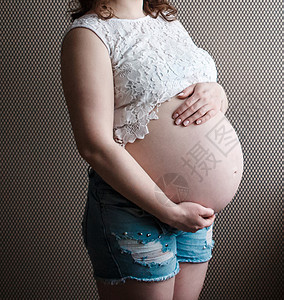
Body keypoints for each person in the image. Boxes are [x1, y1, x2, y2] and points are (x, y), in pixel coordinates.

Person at [60, 0, 229, 299]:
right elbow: (94, 146)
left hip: (194, 214)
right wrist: (170, 211)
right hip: (133, 209)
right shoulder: (89, 35)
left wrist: (218, 93)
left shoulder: (166, 22)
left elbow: (198, 98)